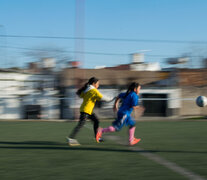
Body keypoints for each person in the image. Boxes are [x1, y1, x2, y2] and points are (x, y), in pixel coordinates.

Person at [67, 77, 113, 146]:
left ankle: (97, 137)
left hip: (87, 110)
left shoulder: (87, 89)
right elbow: (103, 98)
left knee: (96, 121)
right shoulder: (93, 91)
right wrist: (112, 98)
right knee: (81, 124)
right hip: (86, 111)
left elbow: (81, 95)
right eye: (98, 84)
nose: (98, 85)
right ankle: (71, 138)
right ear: (94, 84)